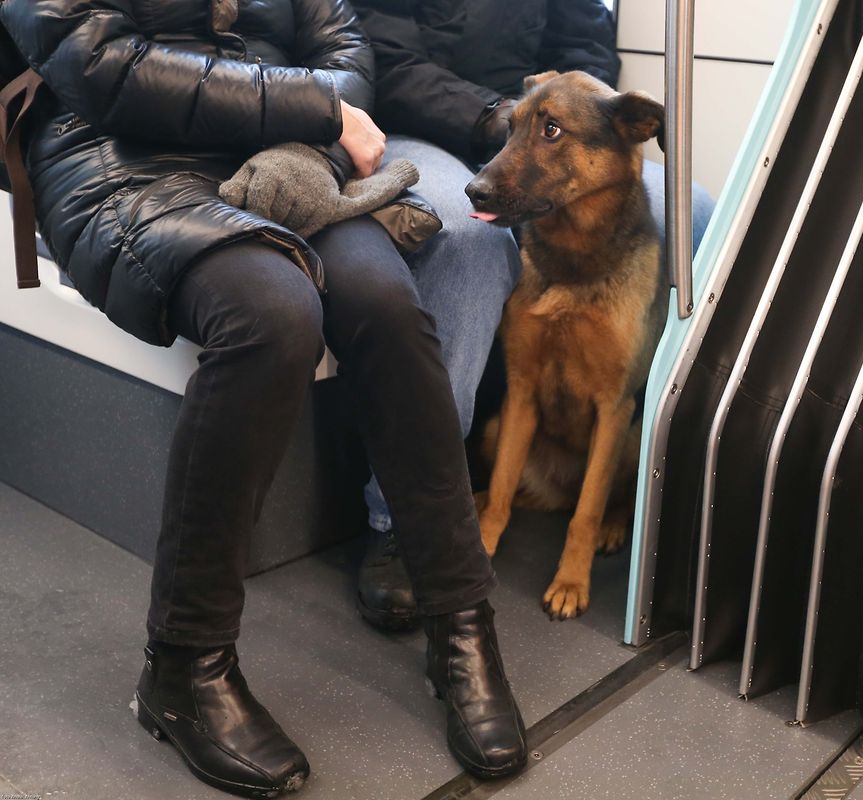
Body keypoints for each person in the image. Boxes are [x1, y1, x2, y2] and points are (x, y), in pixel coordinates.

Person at [0, 0, 528, 794]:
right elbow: (101, 66)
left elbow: (343, 44)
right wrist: (319, 105)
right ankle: (184, 664)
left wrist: (324, 111)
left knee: (386, 306)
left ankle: (461, 626)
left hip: (274, 150)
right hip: (115, 150)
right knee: (273, 315)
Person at [350, 0, 717, 630]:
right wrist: (501, 118)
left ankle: (657, 482)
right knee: (465, 241)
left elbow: (584, 48)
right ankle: (403, 521)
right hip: (429, 127)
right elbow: (388, 59)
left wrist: (565, 110)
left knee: (695, 210)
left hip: (543, 124)